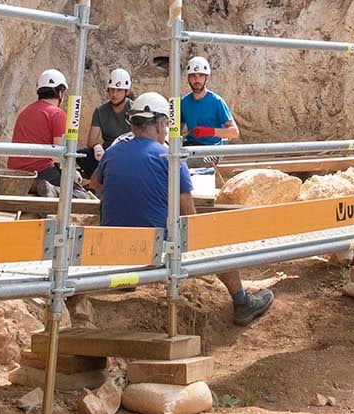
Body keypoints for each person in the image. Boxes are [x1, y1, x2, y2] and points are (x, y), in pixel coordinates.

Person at [96, 92, 273, 326]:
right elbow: (189, 216)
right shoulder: (169, 157)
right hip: (155, 253)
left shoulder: (111, 153)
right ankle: (241, 302)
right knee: (213, 234)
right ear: (160, 125)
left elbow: (96, 185)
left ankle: (127, 279)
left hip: (114, 251)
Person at [9, 68, 70, 193]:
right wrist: (71, 173)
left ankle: (39, 188)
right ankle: (52, 191)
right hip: (40, 170)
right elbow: (60, 153)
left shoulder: (25, 111)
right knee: (78, 195)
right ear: (60, 92)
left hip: (15, 172)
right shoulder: (58, 114)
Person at [79, 67, 133, 180]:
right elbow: (91, 141)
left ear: (126, 92)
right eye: (111, 89)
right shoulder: (100, 111)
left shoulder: (134, 109)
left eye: (119, 90)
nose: (114, 94)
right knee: (82, 155)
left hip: (129, 153)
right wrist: (97, 147)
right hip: (107, 153)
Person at [177, 55, 240, 150]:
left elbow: (234, 132)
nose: (197, 80)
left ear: (207, 78)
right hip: (191, 146)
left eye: (201, 76)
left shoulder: (217, 102)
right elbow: (178, 129)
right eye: (193, 76)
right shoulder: (184, 102)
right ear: (188, 78)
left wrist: (209, 132)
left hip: (212, 149)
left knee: (189, 163)